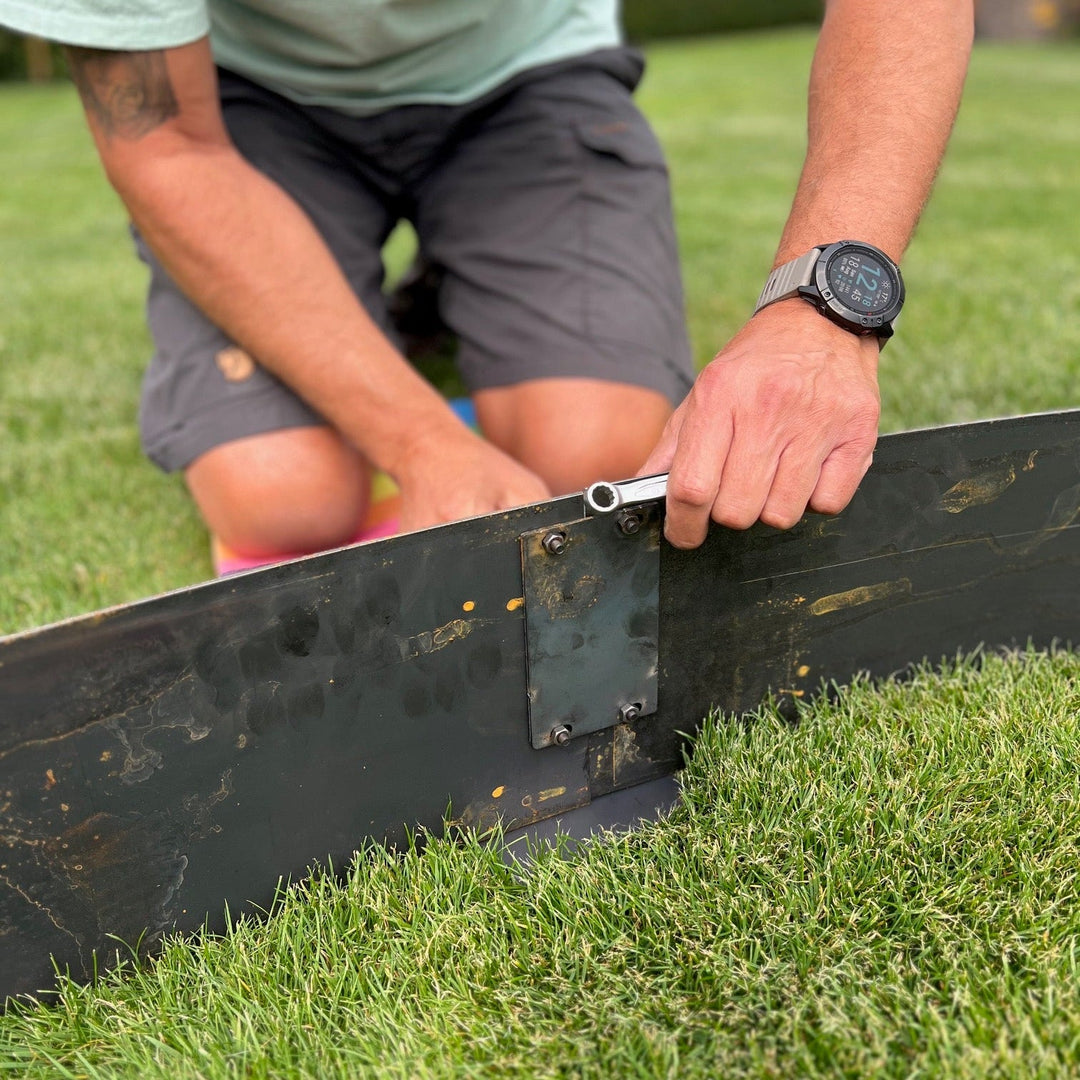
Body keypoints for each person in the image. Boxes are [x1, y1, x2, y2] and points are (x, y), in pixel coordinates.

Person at [0, 1, 973, 560]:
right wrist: (423, 445)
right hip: (250, 96)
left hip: (525, 73)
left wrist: (822, 308)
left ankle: (437, 296)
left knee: (590, 453)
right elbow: (164, 142)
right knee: (282, 501)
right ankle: (394, 316)